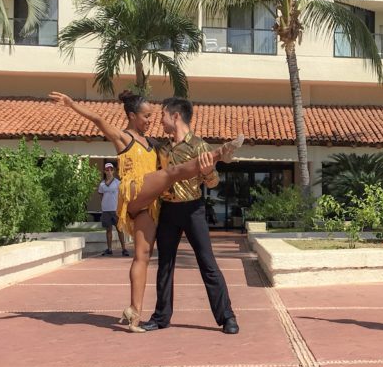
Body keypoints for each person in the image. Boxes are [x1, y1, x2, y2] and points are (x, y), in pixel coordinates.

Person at [49, 90, 225, 332]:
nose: (151, 120)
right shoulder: (124, 138)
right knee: (169, 174)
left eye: (155, 116)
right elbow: (99, 121)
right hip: (136, 193)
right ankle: (218, 154)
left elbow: (207, 180)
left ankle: (134, 313)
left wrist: (205, 174)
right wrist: (72, 104)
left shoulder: (157, 146)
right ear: (132, 116)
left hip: (156, 204)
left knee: (143, 256)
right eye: (146, 116)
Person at [141, 97, 242, 335]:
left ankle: (227, 317)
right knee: (164, 264)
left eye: (163, 115)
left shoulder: (200, 146)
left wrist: (207, 173)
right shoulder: (163, 150)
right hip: (168, 210)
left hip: (193, 209)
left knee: (207, 263)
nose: (160, 120)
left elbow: (214, 182)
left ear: (175, 116)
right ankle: (161, 317)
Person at [97, 163, 128, 257]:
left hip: (115, 210)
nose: (109, 171)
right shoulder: (102, 184)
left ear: (113, 171)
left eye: (111, 169)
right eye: (107, 169)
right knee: (108, 230)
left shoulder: (118, 183)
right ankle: (109, 249)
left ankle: (124, 249)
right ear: (104, 171)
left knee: (119, 229)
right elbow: (101, 195)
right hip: (106, 210)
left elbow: (122, 196)